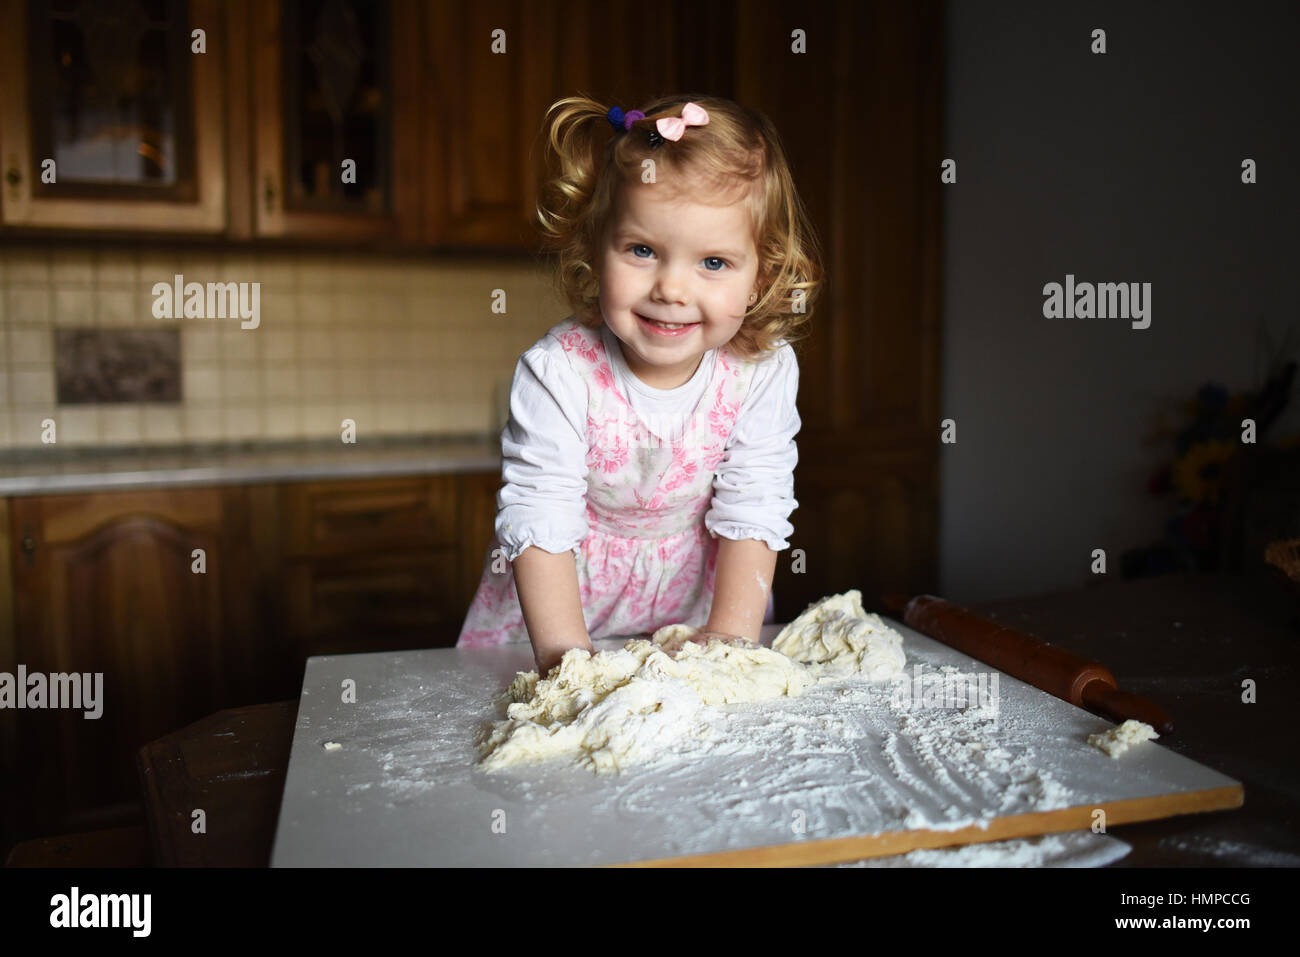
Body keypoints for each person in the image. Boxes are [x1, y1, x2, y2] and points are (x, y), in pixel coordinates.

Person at [456, 94, 823, 677]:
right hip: (560, 616)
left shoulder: (762, 371)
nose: (672, 289)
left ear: (762, 275)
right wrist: (569, 667)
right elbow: (540, 516)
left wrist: (727, 642)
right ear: (596, 248)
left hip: (700, 610)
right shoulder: (558, 373)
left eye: (714, 263)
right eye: (643, 251)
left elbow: (755, 504)